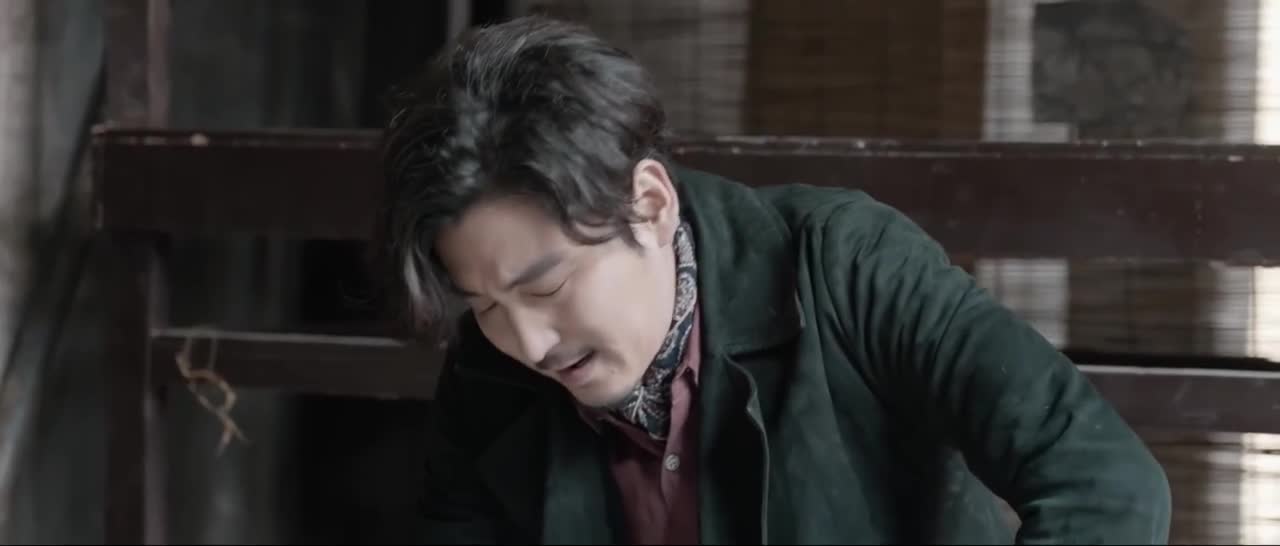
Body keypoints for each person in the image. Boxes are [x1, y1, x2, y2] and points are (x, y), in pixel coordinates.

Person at [377, 15, 1171, 545]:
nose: (527, 343)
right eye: (485, 305)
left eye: (546, 287)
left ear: (648, 203)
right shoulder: (490, 371)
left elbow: (1103, 482)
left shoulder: (843, 265)